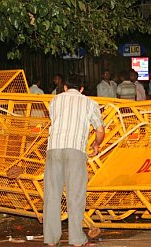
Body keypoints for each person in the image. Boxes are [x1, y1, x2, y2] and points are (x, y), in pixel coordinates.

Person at [44, 74, 105, 247]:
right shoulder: (89, 103)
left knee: (52, 195)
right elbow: (100, 130)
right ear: (82, 89)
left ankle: (51, 240)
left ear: (64, 87)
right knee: (75, 195)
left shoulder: (54, 101)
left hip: (53, 149)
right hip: (75, 149)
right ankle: (77, 240)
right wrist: (96, 144)